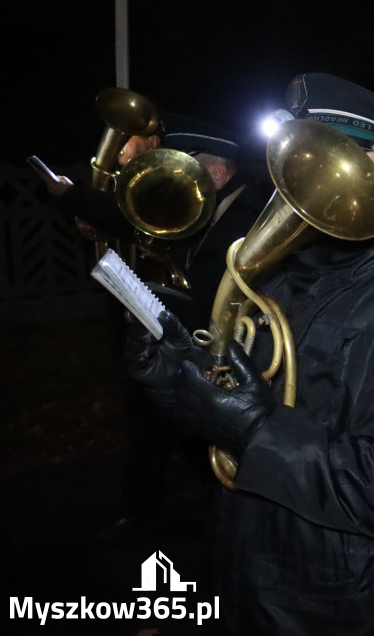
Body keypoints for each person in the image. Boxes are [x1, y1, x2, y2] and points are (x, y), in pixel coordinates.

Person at [124, 72, 374, 635]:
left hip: (347, 604)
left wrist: (255, 429)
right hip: (263, 571)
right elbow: (248, 401)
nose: (286, 187)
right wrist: (180, 384)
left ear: (371, 171)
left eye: (309, 164)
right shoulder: (291, 271)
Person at [41, 114, 270, 541]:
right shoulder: (207, 205)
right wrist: (89, 212)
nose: (172, 174)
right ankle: (154, 505)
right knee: (151, 411)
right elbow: (137, 220)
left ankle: (217, 503)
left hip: (226, 357)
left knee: (177, 421)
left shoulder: (250, 215)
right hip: (188, 345)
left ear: (216, 173)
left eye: (184, 163)